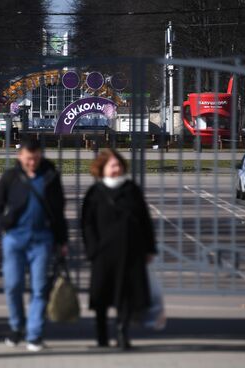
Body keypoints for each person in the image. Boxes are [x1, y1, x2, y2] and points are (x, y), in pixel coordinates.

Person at [0, 137, 68, 352]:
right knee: (13, 285)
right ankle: (17, 327)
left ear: (40, 156)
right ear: (20, 156)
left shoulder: (50, 176)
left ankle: (34, 334)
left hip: (42, 239)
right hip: (14, 238)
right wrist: (0, 228)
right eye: (28, 159)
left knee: (40, 288)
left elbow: (59, 209)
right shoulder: (10, 177)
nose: (32, 162)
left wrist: (62, 240)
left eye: (35, 158)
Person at [81, 148, 157, 350]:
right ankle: (102, 337)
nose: (117, 168)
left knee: (126, 295)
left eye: (119, 165)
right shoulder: (95, 193)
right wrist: (92, 248)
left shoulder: (131, 189)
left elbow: (144, 219)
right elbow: (86, 223)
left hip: (130, 251)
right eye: (113, 165)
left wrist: (149, 248)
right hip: (103, 253)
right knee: (100, 296)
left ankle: (122, 335)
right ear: (102, 168)